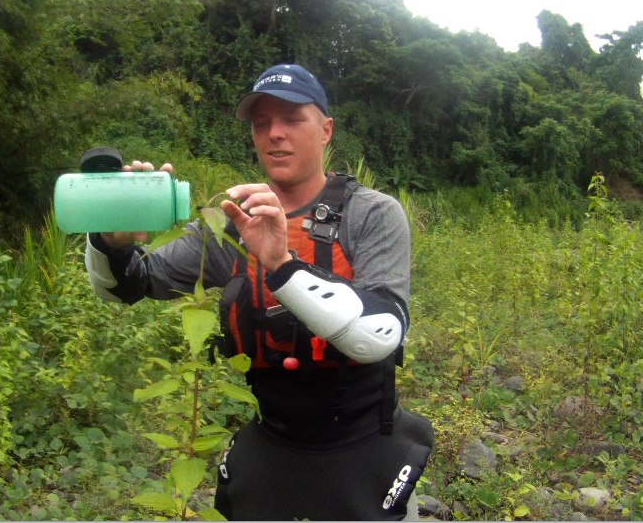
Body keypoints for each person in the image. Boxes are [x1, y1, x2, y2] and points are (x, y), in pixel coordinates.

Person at [84, 64, 434, 521]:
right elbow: (130, 287)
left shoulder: (372, 215)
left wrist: (280, 265)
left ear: (326, 130)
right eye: (261, 123)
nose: (275, 134)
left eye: (292, 119)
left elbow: (382, 333)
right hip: (272, 438)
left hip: (362, 443)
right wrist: (112, 241)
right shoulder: (232, 221)